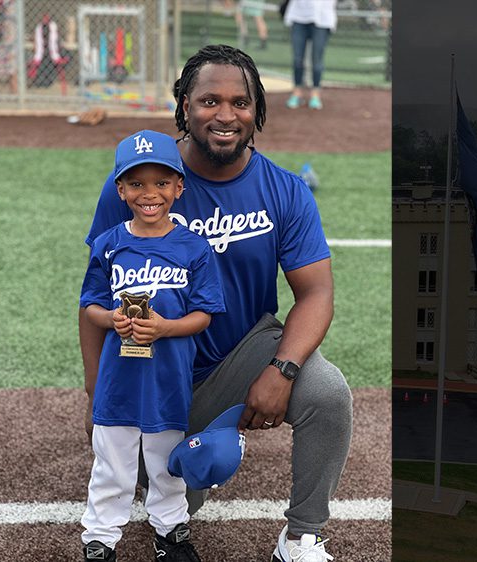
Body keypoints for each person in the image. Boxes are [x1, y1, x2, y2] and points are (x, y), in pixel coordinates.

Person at [80, 44, 352, 562]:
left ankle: (301, 537)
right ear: (184, 105)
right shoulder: (139, 183)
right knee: (181, 491)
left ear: (257, 110)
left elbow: (316, 293)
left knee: (329, 393)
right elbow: (97, 289)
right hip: (156, 366)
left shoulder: (286, 191)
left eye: (240, 102)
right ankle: (208, 440)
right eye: (209, 101)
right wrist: (96, 391)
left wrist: (282, 369)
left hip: (244, 350)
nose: (226, 116)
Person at [79, 130, 226, 562]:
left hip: (169, 379)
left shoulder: (194, 249)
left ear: (179, 188)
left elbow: (204, 314)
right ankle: (100, 539)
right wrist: (112, 319)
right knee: (112, 465)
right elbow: (90, 305)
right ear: (120, 189)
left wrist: (165, 328)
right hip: (118, 381)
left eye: (162, 183)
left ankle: (170, 532)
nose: (150, 194)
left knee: (166, 465)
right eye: (137, 183)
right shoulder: (108, 245)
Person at [283, 0, 337, 110]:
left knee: (317, 60)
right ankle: (297, 93)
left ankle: (315, 95)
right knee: (298, 59)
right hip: (298, 17)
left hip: (323, 18)